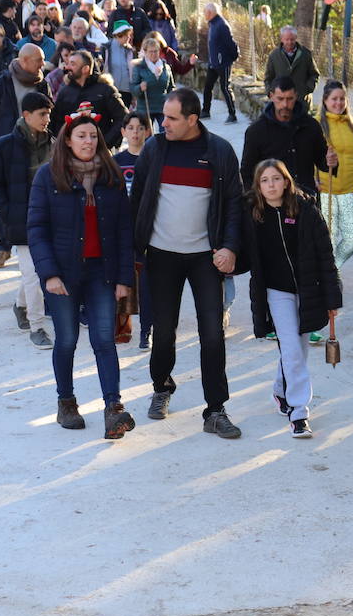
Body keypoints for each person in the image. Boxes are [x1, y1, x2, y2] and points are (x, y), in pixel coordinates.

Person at [129, 89, 245, 439]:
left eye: (171, 118)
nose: (162, 123)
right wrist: (135, 252)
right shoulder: (154, 149)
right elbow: (138, 201)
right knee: (163, 330)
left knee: (213, 333)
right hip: (161, 255)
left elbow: (235, 205)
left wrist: (230, 247)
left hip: (204, 258)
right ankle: (161, 387)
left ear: (193, 119)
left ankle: (215, 410)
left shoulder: (219, 152)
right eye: (163, 116)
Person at [27, 107, 137, 440]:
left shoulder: (111, 176)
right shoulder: (48, 176)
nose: (88, 141)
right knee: (67, 340)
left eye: (93, 136)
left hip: (100, 273)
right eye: (81, 135)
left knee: (104, 340)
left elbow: (123, 230)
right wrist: (48, 274)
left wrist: (123, 279)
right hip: (62, 274)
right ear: (68, 140)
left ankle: (113, 408)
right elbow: (37, 229)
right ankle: (66, 402)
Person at [240, 159, 343, 438]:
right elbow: (242, 254)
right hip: (276, 292)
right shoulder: (252, 215)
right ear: (258, 186)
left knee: (297, 348)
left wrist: (333, 298)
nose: (271, 185)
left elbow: (326, 256)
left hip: (308, 289)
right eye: (265, 180)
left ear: (286, 181)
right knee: (292, 349)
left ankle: (279, 390)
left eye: (276, 179)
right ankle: (299, 413)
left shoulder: (306, 211)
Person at [0, 91, 56, 350]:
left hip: (50, 220)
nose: (47, 119)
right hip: (20, 222)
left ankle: (21, 305)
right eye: (42, 114)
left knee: (34, 272)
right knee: (35, 274)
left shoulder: (54, 144)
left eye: (48, 114)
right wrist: (8, 213)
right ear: (26, 115)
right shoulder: (4, 146)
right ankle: (37, 327)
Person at [241, 77, 333, 196]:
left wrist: (331, 161)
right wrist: (255, 202)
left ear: (296, 96)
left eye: (289, 99)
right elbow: (247, 172)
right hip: (272, 203)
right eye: (280, 99)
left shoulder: (311, 126)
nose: (285, 104)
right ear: (271, 96)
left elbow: (323, 163)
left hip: (306, 200)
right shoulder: (256, 131)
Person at [316, 80, 353, 267]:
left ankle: (333, 268)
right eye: (334, 99)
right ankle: (332, 279)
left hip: (349, 191)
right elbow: (309, 158)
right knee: (329, 239)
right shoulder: (316, 126)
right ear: (325, 101)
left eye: (342, 99)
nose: (338, 103)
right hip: (326, 191)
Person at [114, 112, 154, 350]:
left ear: (148, 131)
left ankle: (146, 331)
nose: (136, 132)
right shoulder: (116, 162)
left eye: (141, 128)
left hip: (148, 231)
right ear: (123, 132)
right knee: (122, 281)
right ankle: (120, 328)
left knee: (147, 284)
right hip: (122, 230)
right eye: (131, 127)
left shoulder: (153, 159)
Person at [52, 49, 127, 146]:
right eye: (68, 63)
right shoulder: (64, 92)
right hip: (71, 152)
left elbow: (122, 118)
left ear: (85, 69)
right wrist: (66, 143)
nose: (67, 67)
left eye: (73, 64)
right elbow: (56, 122)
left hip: (100, 152)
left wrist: (105, 143)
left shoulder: (105, 90)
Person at [0, 43, 45, 147]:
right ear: (25, 60)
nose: (43, 64)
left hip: (38, 145)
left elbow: (52, 113)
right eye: (39, 60)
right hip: (10, 146)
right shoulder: (2, 83)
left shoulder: (43, 84)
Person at [262, 26, 319, 107]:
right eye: (287, 39)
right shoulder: (274, 56)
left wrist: (307, 88)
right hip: (281, 104)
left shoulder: (305, 54)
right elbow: (268, 78)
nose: (289, 42)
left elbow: (314, 74)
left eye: (292, 39)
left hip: (302, 101)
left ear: (296, 38)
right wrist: (271, 92)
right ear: (282, 39)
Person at [201, 2, 239, 122]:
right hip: (214, 63)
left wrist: (232, 58)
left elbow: (231, 43)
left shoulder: (221, 25)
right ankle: (206, 111)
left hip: (223, 62)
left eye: (205, 12)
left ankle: (232, 114)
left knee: (225, 87)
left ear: (210, 13)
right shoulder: (212, 24)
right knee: (207, 87)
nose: (204, 14)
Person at [131, 34, 173, 126]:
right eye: (151, 52)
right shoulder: (139, 68)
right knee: (148, 137)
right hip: (145, 108)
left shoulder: (166, 67)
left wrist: (171, 99)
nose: (153, 54)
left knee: (165, 133)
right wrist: (140, 88)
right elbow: (133, 89)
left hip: (162, 107)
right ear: (145, 52)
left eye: (156, 51)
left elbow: (171, 88)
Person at [103, 21, 138, 108]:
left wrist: (134, 94)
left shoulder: (130, 51)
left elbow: (132, 72)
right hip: (111, 89)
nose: (129, 37)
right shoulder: (106, 48)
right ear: (119, 34)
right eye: (127, 35)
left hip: (126, 90)